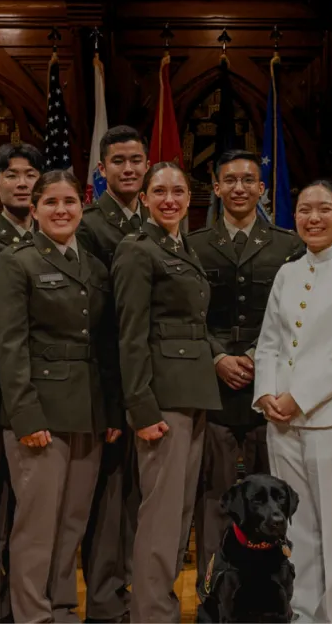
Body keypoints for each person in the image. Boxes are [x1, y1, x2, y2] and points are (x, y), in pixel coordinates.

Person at [0, 170, 122, 623]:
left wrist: (108, 411)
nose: (61, 210)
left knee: (71, 523)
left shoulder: (94, 266)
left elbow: (102, 348)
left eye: (69, 202)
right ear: (36, 208)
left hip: (87, 411)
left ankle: (63, 609)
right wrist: (25, 417)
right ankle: (32, 615)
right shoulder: (17, 261)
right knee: (36, 526)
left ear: (82, 207)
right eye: (51, 203)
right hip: (40, 412)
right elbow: (9, 347)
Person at [253, 179, 332, 624]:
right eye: (305, 209)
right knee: (295, 530)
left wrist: (297, 399)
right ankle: (302, 615)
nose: (313, 217)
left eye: (324, 209)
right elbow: (268, 341)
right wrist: (266, 394)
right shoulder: (288, 270)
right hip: (282, 423)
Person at [112, 162, 222, 623]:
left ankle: (163, 609)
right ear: (145, 196)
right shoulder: (138, 249)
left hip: (193, 393)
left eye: (178, 190)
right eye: (160, 191)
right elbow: (130, 335)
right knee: (159, 519)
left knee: (177, 517)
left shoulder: (181, 246)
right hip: (162, 400)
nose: (170, 199)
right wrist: (140, 407)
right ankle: (151, 615)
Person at [188, 149, 304, 585]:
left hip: (267, 385)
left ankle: (268, 587)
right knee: (216, 495)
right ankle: (213, 588)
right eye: (229, 180)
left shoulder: (288, 244)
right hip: (211, 385)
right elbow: (187, 315)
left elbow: (293, 313)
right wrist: (217, 356)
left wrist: (257, 356)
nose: (239, 188)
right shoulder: (194, 244)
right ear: (216, 188)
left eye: (248, 180)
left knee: (269, 496)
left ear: (262, 189)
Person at [77, 125, 149, 623]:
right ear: (101, 171)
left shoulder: (158, 219)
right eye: (118, 160)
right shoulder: (87, 226)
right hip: (106, 379)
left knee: (137, 499)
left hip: (146, 380)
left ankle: (130, 595)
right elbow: (95, 322)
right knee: (106, 501)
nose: (128, 168)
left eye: (136, 160)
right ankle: (104, 604)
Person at [0, 141, 43, 623]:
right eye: (12, 175)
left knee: (35, 514)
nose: (23, 183)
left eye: (31, 175)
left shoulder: (57, 235)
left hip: (46, 397)